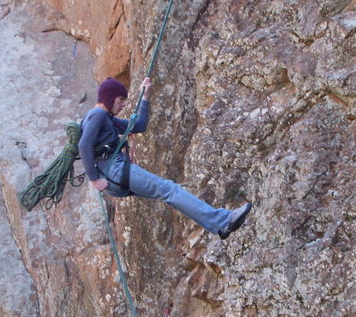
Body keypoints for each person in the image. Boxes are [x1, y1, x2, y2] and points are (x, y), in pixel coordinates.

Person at [79, 76, 252, 239]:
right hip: (113, 171)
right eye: (120, 100)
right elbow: (84, 145)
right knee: (169, 190)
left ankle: (219, 226)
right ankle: (223, 221)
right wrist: (94, 179)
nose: (123, 104)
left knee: (168, 193)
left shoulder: (106, 118)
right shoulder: (98, 115)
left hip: (114, 175)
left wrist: (145, 97)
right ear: (109, 98)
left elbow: (139, 125)